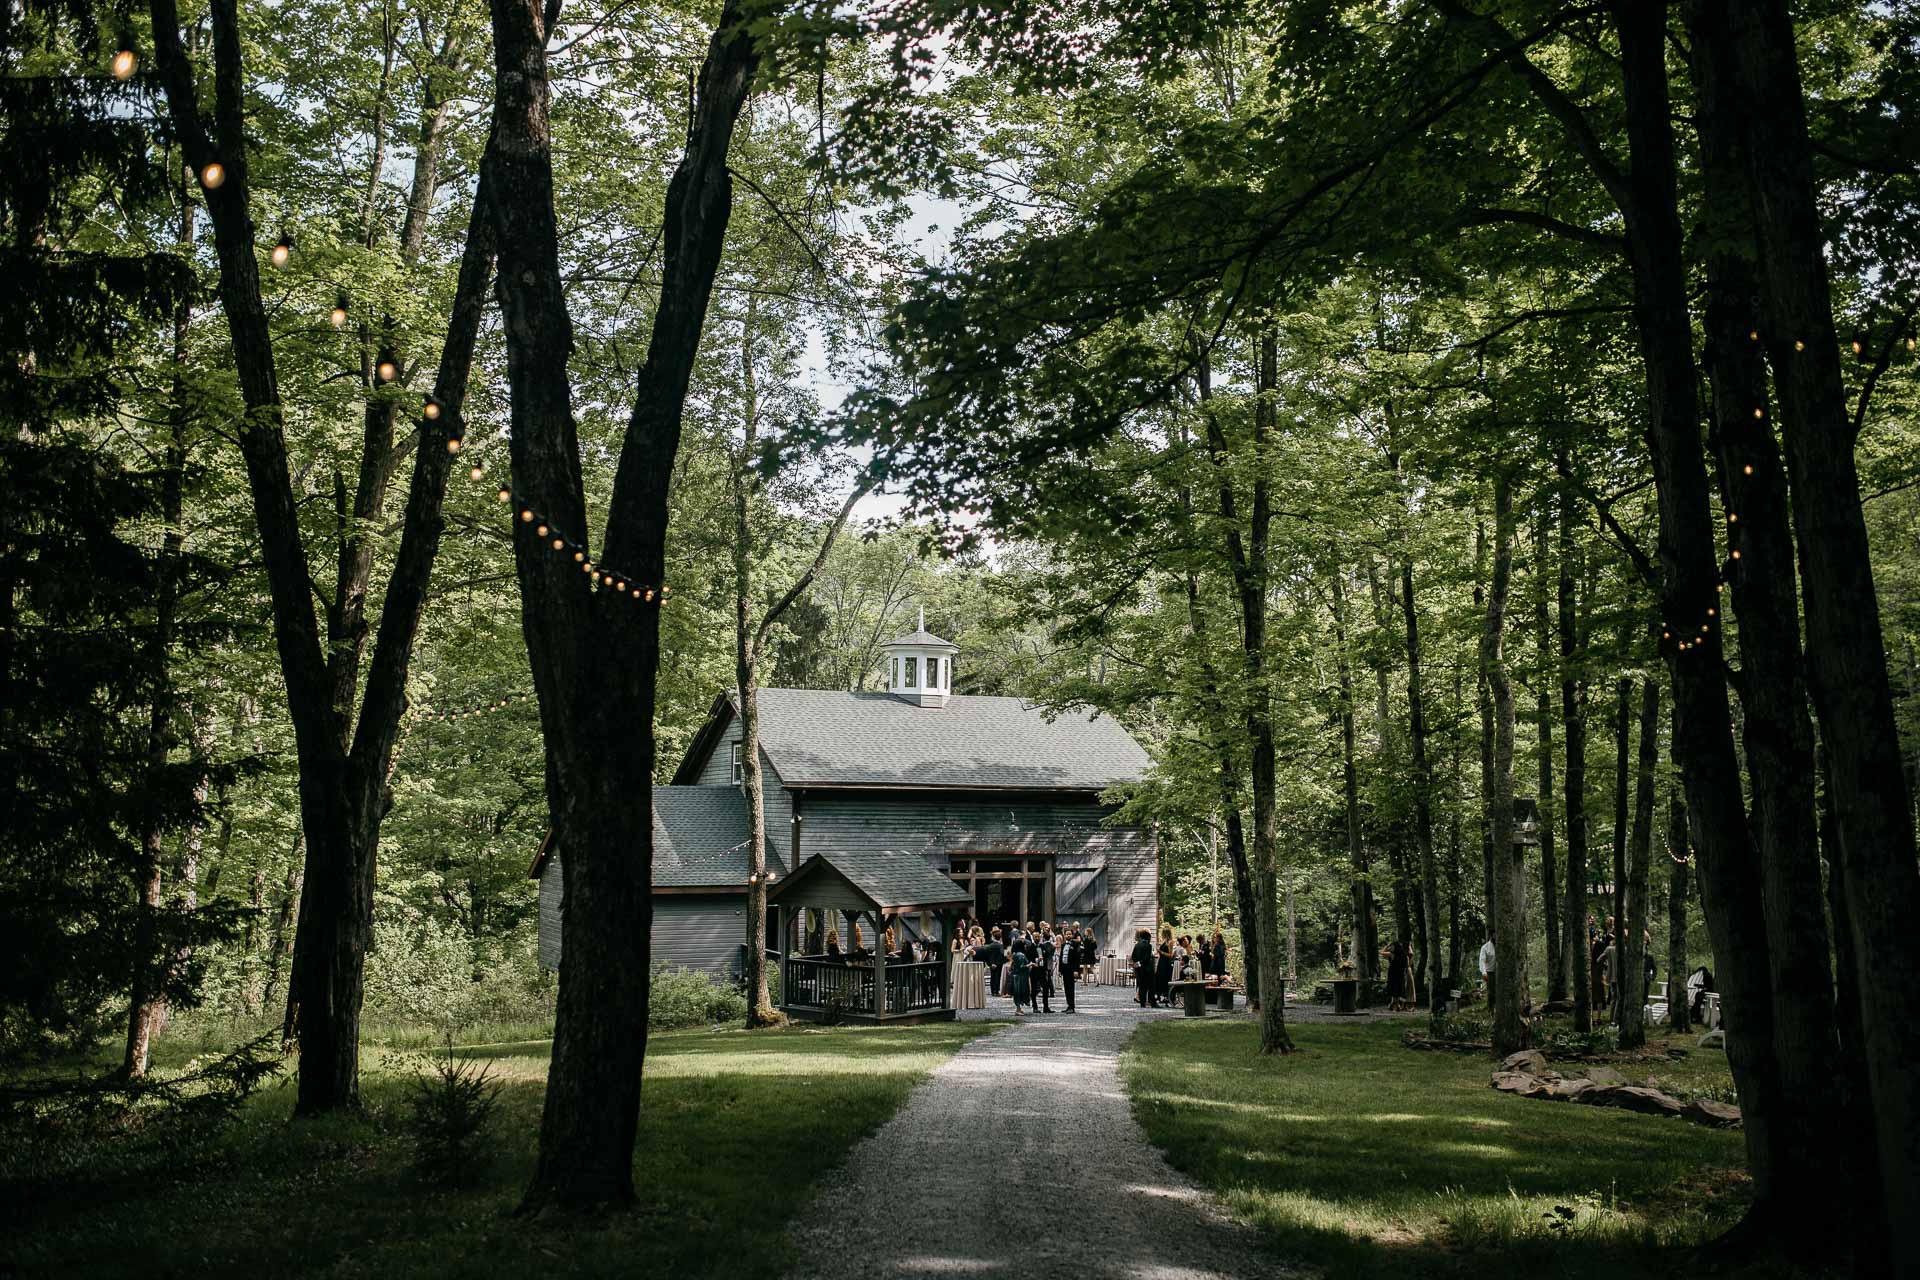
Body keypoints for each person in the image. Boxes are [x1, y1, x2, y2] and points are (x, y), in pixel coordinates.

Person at [1008, 935, 1033, 1015]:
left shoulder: (1015, 954)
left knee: (1017, 992)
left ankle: (1018, 1008)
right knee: (1020, 992)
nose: (1025, 946)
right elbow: (1022, 967)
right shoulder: (1021, 955)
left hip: (1016, 975)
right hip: (1021, 977)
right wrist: (1030, 965)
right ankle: (1018, 1009)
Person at [979, 927, 1006, 997]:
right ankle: (996, 991)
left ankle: (993, 991)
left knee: (993, 977)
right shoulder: (1000, 946)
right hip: (998, 964)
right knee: (997, 977)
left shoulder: (989, 946)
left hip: (992, 964)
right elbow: (1001, 955)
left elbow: (987, 955)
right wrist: (998, 963)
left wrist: (990, 963)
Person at [1131, 928, 1155, 1007]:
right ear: (1148, 937)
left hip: (1139, 969)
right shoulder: (1149, 946)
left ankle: (1142, 1003)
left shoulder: (1137, 945)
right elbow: (1147, 958)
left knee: (1141, 986)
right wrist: (1142, 962)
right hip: (1147, 968)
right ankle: (1152, 1002)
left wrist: (1137, 963)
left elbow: (1133, 956)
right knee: (1151, 986)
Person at [1060, 926, 1079, 1012]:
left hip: (1071, 969)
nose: (1068, 935)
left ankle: (1072, 1006)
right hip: (1064, 969)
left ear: (1072, 935)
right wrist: (1060, 969)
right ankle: (1068, 1005)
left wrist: (1076, 970)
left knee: (1071, 988)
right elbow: (1061, 956)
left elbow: (1077, 959)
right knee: (1066, 987)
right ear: (1064, 935)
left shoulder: (1075, 945)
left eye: (1069, 934)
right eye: (1066, 934)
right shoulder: (1063, 944)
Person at [1033, 931, 1054, 1013]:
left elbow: (1048, 955)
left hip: (1042, 970)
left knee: (1045, 988)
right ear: (1033, 938)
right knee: (1034, 989)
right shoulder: (1031, 946)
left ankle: (1046, 1007)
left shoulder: (1043, 946)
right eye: (1035, 937)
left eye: (1038, 937)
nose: (1037, 938)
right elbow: (1029, 957)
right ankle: (1035, 1007)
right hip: (1034, 971)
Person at [1154, 940, 1175, 1007]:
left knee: (1165, 979)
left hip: (1166, 964)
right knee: (1159, 978)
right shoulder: (1164, 942)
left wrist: (1162, 952)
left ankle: (1166, 997)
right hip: (1161, 962)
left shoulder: (1170, 942)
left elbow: (1170, 955)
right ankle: (1159, 995)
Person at [1478, 935, 1496, 1006]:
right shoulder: (1485, 947)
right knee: (1491, 992)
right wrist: (1484, 973)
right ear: (1492, 936)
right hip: (1490, 972)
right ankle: (1491, 1008)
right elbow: (1482, 961)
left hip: (1499, 972)